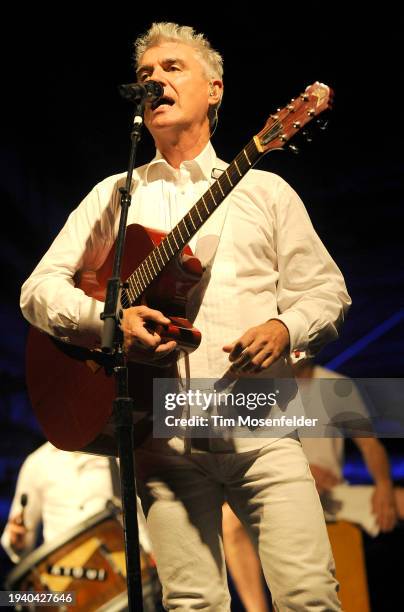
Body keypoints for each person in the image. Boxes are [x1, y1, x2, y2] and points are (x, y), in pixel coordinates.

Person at [20, 22, 351, 610]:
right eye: (145, 74)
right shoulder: (115, 195)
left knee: (309, 596)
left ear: (215, 89)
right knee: (192, 602)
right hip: (159, 435)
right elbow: (37, 289)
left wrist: (285, 328)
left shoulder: (267, 191)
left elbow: (327, 293)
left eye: (172, 68)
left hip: (261, 424)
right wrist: (106, 319)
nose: (154, 81)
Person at [1, 442, 151, 563]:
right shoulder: (37, 463)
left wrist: (151, 552)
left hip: (122, 566)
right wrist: (17, 542)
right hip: (63, 576)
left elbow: (142, 512)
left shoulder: (116, 451)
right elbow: (18, 536)